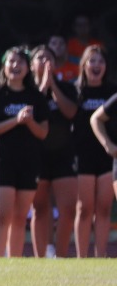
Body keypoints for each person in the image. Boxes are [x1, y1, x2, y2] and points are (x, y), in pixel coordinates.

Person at [0, 45, 49, 258]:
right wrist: (16, 120)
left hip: (29, 162)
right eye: (11, 61)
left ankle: (14, 263)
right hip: (1, 161)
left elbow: (43, 132)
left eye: (20, 62)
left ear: (28, 67)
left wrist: (29, 121)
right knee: (2, 215)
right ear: (4, 65)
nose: (15, 65)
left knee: (19, 217)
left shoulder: (36, 96)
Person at [29, 43, 79, 257]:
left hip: (63, 155)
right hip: (36, 154)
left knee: (68, 209)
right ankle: (42, 255)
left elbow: (71, 112)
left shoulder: (67, 88)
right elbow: (32, 111)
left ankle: (60, 255)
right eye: (40, 58)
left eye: (49, 58)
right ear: (31, 65)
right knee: (40, 208)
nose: (45, 61)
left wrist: (53, 86)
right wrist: (43, 87)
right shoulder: (27, 90)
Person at [71, 44, 115, 257]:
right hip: (81, 156)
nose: (96, 65)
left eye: (101, 61)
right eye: (92, 60)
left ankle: (100, 256)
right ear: (84, 65)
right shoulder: (75, 90)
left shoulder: (112, 92)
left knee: (104, 208)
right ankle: (82, 257)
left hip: (108, 156)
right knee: (84, 208)